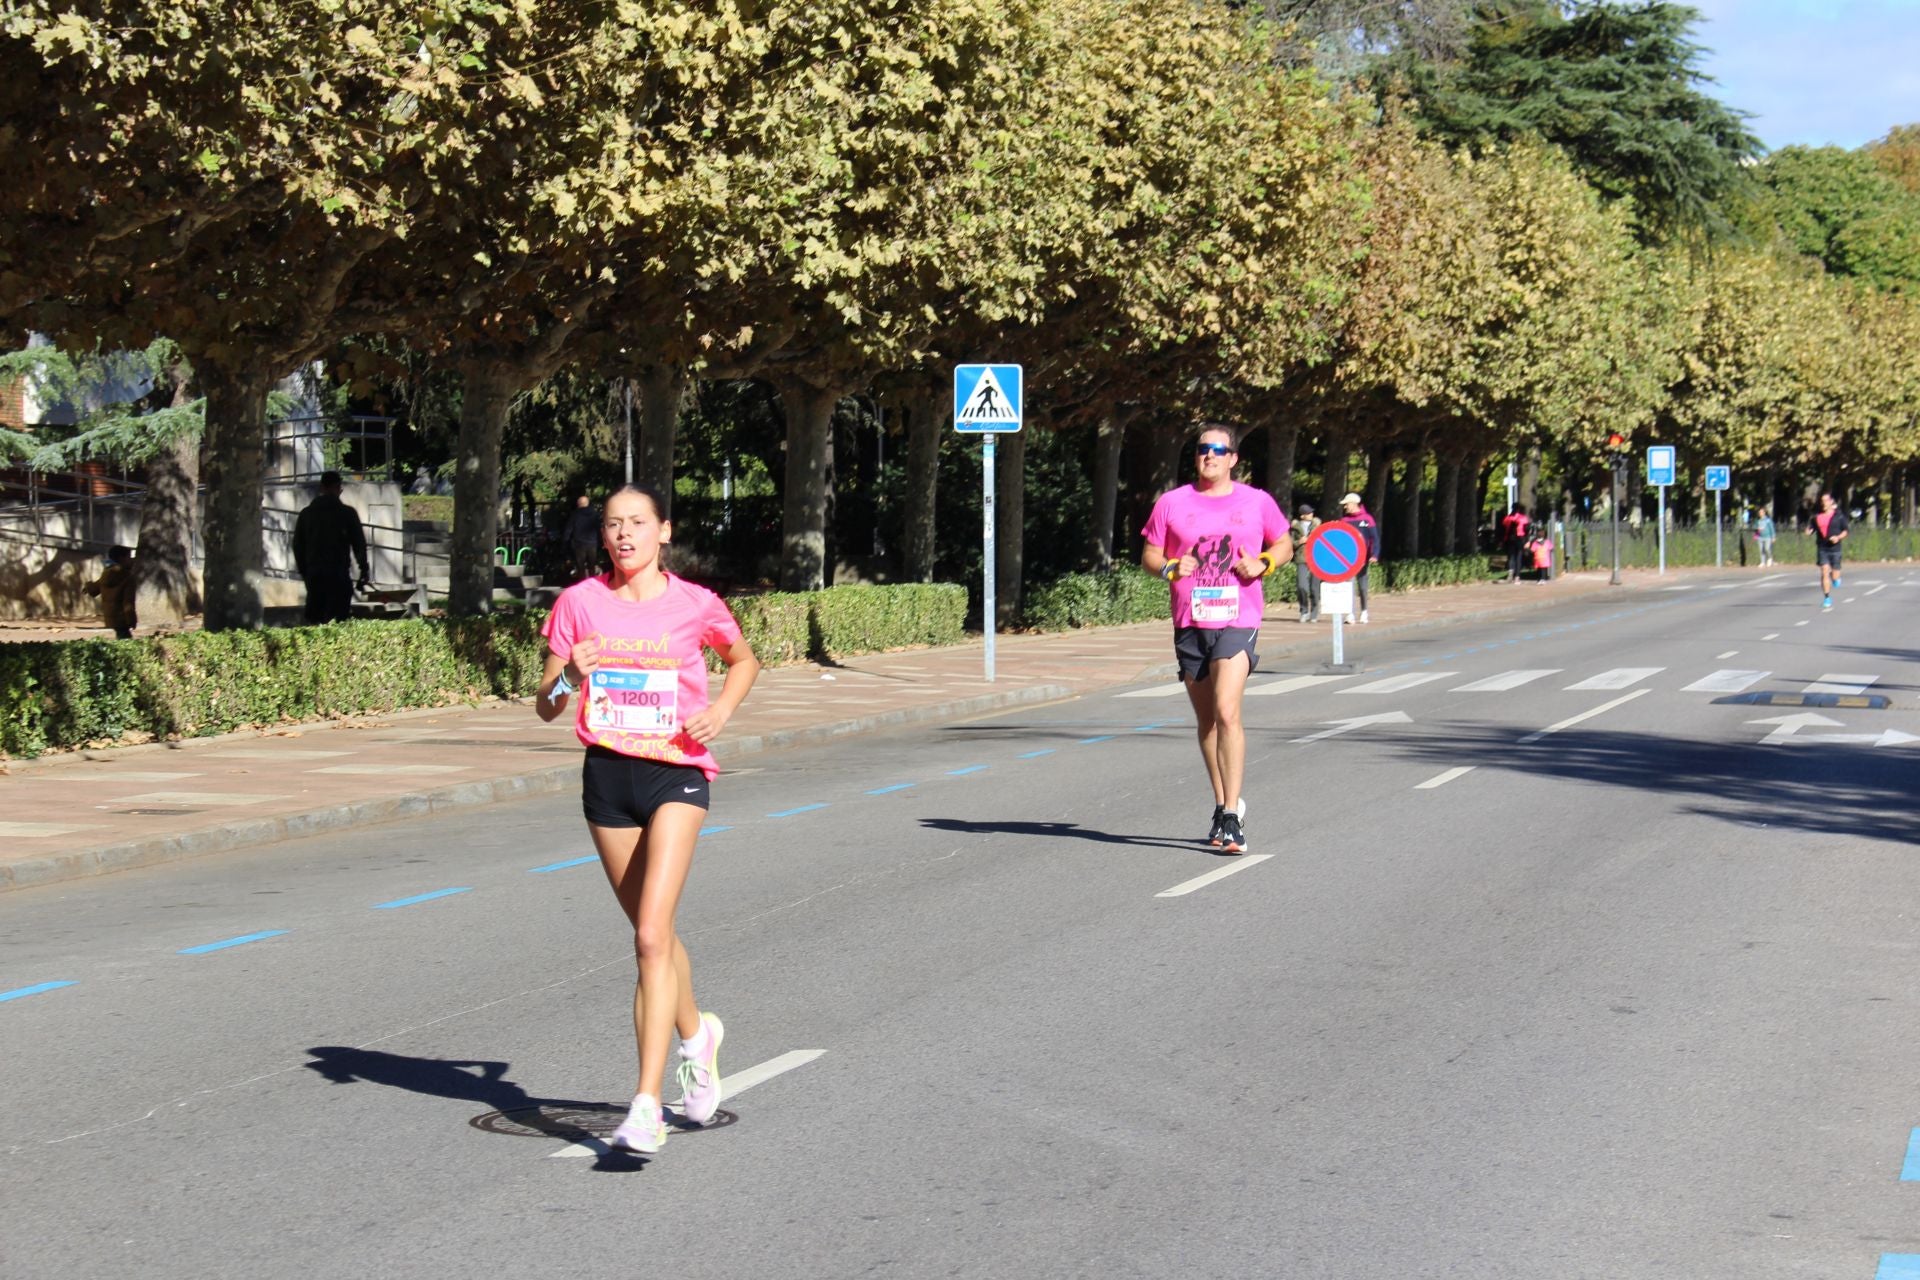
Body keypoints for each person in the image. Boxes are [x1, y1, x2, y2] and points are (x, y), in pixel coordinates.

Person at [538, 484, 760, 1155]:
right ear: (602, 536)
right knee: (651, 933)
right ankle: (698, 1034)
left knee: (649, 938)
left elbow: (742, 659)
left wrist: (721, 712)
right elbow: (545, 705)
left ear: (664, 531)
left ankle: (645, 1104)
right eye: (613, 525)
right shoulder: (578, 604)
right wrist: (570, 676)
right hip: (607, 778)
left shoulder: (696, 603)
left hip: (677, 773)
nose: (625, 535)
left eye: (637, 523)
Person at [1141, 425, 1290, 854]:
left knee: (1227, 711)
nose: (1209, 455)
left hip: (1238, 616)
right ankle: (1223, 802)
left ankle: (1231, 816)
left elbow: (1283, 544)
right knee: (1206, 721)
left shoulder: (1256, 501)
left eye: (1218, 450)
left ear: (1233, 459)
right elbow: (1150, 554)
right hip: (1190, 620)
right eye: (1203, 449)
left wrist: (1262, 563)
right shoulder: (1172, 502)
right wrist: (1169, 567)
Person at [292, 471, 370, 623]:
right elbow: (359, 544)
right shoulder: (347, 513)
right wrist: (364, 570)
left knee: (315, 621)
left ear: (321, 488)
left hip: (315, 575)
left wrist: (305, 572)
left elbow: (298, 546)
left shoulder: (306, 514)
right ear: (339, 488)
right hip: (338, 574)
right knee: (339, 620)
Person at [1337, 492, 1380, 623]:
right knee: (1348, 586)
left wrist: (1374, 555)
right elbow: (1339, 538)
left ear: (1354, 504)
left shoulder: (1367, 519)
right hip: (1348, 559)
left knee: (1362, 586)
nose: (1345, 507)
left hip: (1363, 558)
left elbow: (1374, 538)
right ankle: (1349, 614)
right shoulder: (1344, 521)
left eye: (1347, 504)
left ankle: (1364, 611)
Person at [84, 544, 137, 639]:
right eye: (129, 557)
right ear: (122, 558)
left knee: (121, 636)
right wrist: (131, 620)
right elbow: (128, 602)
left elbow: (96, 587)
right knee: (125, 639)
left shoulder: (107, 573)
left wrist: (88, 587)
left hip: (111, 616)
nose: (131, 559)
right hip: (122, 618)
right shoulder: (127, 577)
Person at [1808, 491, 1848, 609]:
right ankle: (1827, 598)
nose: (1824, 503)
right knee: (1824, 571)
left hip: (1835, 548)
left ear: (1831, 502)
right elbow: (1811, 528)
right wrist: (1809, 531)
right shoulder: (1817, 516)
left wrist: (1838, 537)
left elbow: (1845, 531)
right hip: (1822, 547)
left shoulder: (1839, 516)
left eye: (1826, 500)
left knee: (1835, 576)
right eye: (1822, 501)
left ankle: (1835, 577)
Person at [1290, 502, 1321, 623]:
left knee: (1314, 587)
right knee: (1302, 586)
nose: (1311, 514)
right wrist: (1299, 542)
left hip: (1315, 559)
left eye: (1311, 512)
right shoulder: (1295, 527)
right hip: (1301, 558)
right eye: (1308, 513)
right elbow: (1290, 543)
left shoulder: (1317, 525)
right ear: (1302, 515)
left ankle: (1314, 613)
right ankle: (1304, 610)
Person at [565, 493, 601, 581]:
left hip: (579, 544)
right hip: (592, 543)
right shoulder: (595, 514)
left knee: (580, 566)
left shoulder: (575, 515)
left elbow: (569, 530)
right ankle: (592, 583)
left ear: (578, 504)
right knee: (592, 565)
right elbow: (599, 529)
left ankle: (582, 584)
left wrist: (566, 542)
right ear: (588, 503)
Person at [1500, 503, 1532, 584]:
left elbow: (1503, 530)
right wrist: (1527, 541)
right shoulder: (1523, 518)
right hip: (1520, 539)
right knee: (1518, 557)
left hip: (1509, 539)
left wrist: (1502, 541)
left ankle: (1510, 575)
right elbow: (1527, 530)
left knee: (1511, 557)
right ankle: (1517, 577)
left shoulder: (1507, 518)